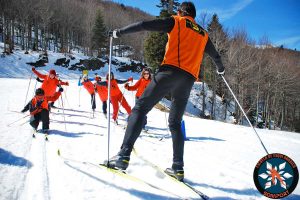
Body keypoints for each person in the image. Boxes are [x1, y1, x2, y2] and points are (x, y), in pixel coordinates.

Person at [106, 1, 225, 181]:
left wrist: (119, 32)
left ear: (180, 11)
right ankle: (178, 168)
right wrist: (220, 69)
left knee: (140, 108)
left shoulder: (176, 21)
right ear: (193, 15)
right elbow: (216, 56)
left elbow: (144, 25)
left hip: (169, 72)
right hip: (188, 80)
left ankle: (123, 156)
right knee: (175, 123)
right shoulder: (203, 34)